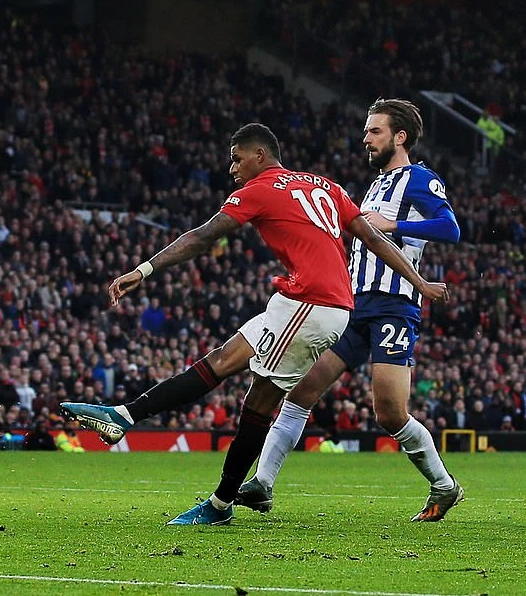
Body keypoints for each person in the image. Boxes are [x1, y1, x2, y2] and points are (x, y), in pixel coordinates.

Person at [61, 123, 447, 525]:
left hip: (312, 303)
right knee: (222, 360)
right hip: (302, 301)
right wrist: (419, 282)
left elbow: (202, 236)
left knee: (259, 401)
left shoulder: (260, 190)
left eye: (237, 158)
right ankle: (125, 416)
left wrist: (144, 269)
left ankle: (219, 504)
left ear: (260, 155)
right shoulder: (325, 186)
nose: (233, 168)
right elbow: (375, 239)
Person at [238, 99, 464, 523]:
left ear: (400, 137)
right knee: (302, 389)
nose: (366, 138)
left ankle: (444, 485)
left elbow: (450, 228)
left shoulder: (419, 179)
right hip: (353, 305)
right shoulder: (376, 185)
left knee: (389, 413)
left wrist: (394, 225)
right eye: (366, 131)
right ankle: (262, 483)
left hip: (394, 306)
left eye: (375, 131)